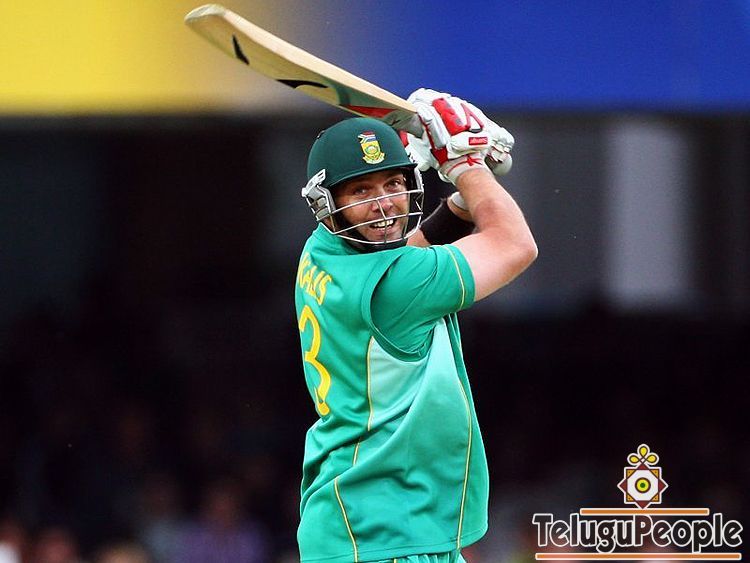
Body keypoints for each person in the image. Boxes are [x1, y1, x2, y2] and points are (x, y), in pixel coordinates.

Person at [294, 88, 538, 563]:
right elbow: (515, 246)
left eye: (392, 183)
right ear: (328, 202)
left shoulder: (320, 252)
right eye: (361, 191)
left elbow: (405, 252)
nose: (384, 205)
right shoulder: (398, 288)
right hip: (381, 529)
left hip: (374, 517)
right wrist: (465, 165)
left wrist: (463, 203)